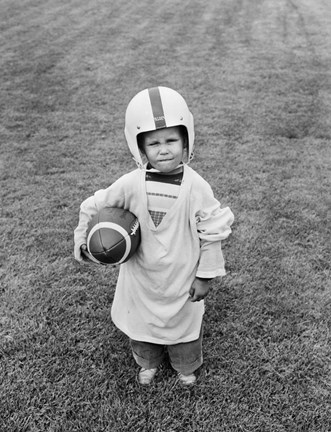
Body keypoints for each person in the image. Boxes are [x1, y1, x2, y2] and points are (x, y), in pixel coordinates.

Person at [74, 86, 234, 385]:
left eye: (172, 140)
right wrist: (85, 239)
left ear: (186, 140)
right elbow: (94, 205)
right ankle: (147, 362)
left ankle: (185, 366)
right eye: (154, 143)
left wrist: (205, 275)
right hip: (141, 276)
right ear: (140, 148)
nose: (164, 149)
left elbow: (212, 230)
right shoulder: (130, 184)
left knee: (184, 326)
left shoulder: (196, 186)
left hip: (181, 275)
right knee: (142, 323)